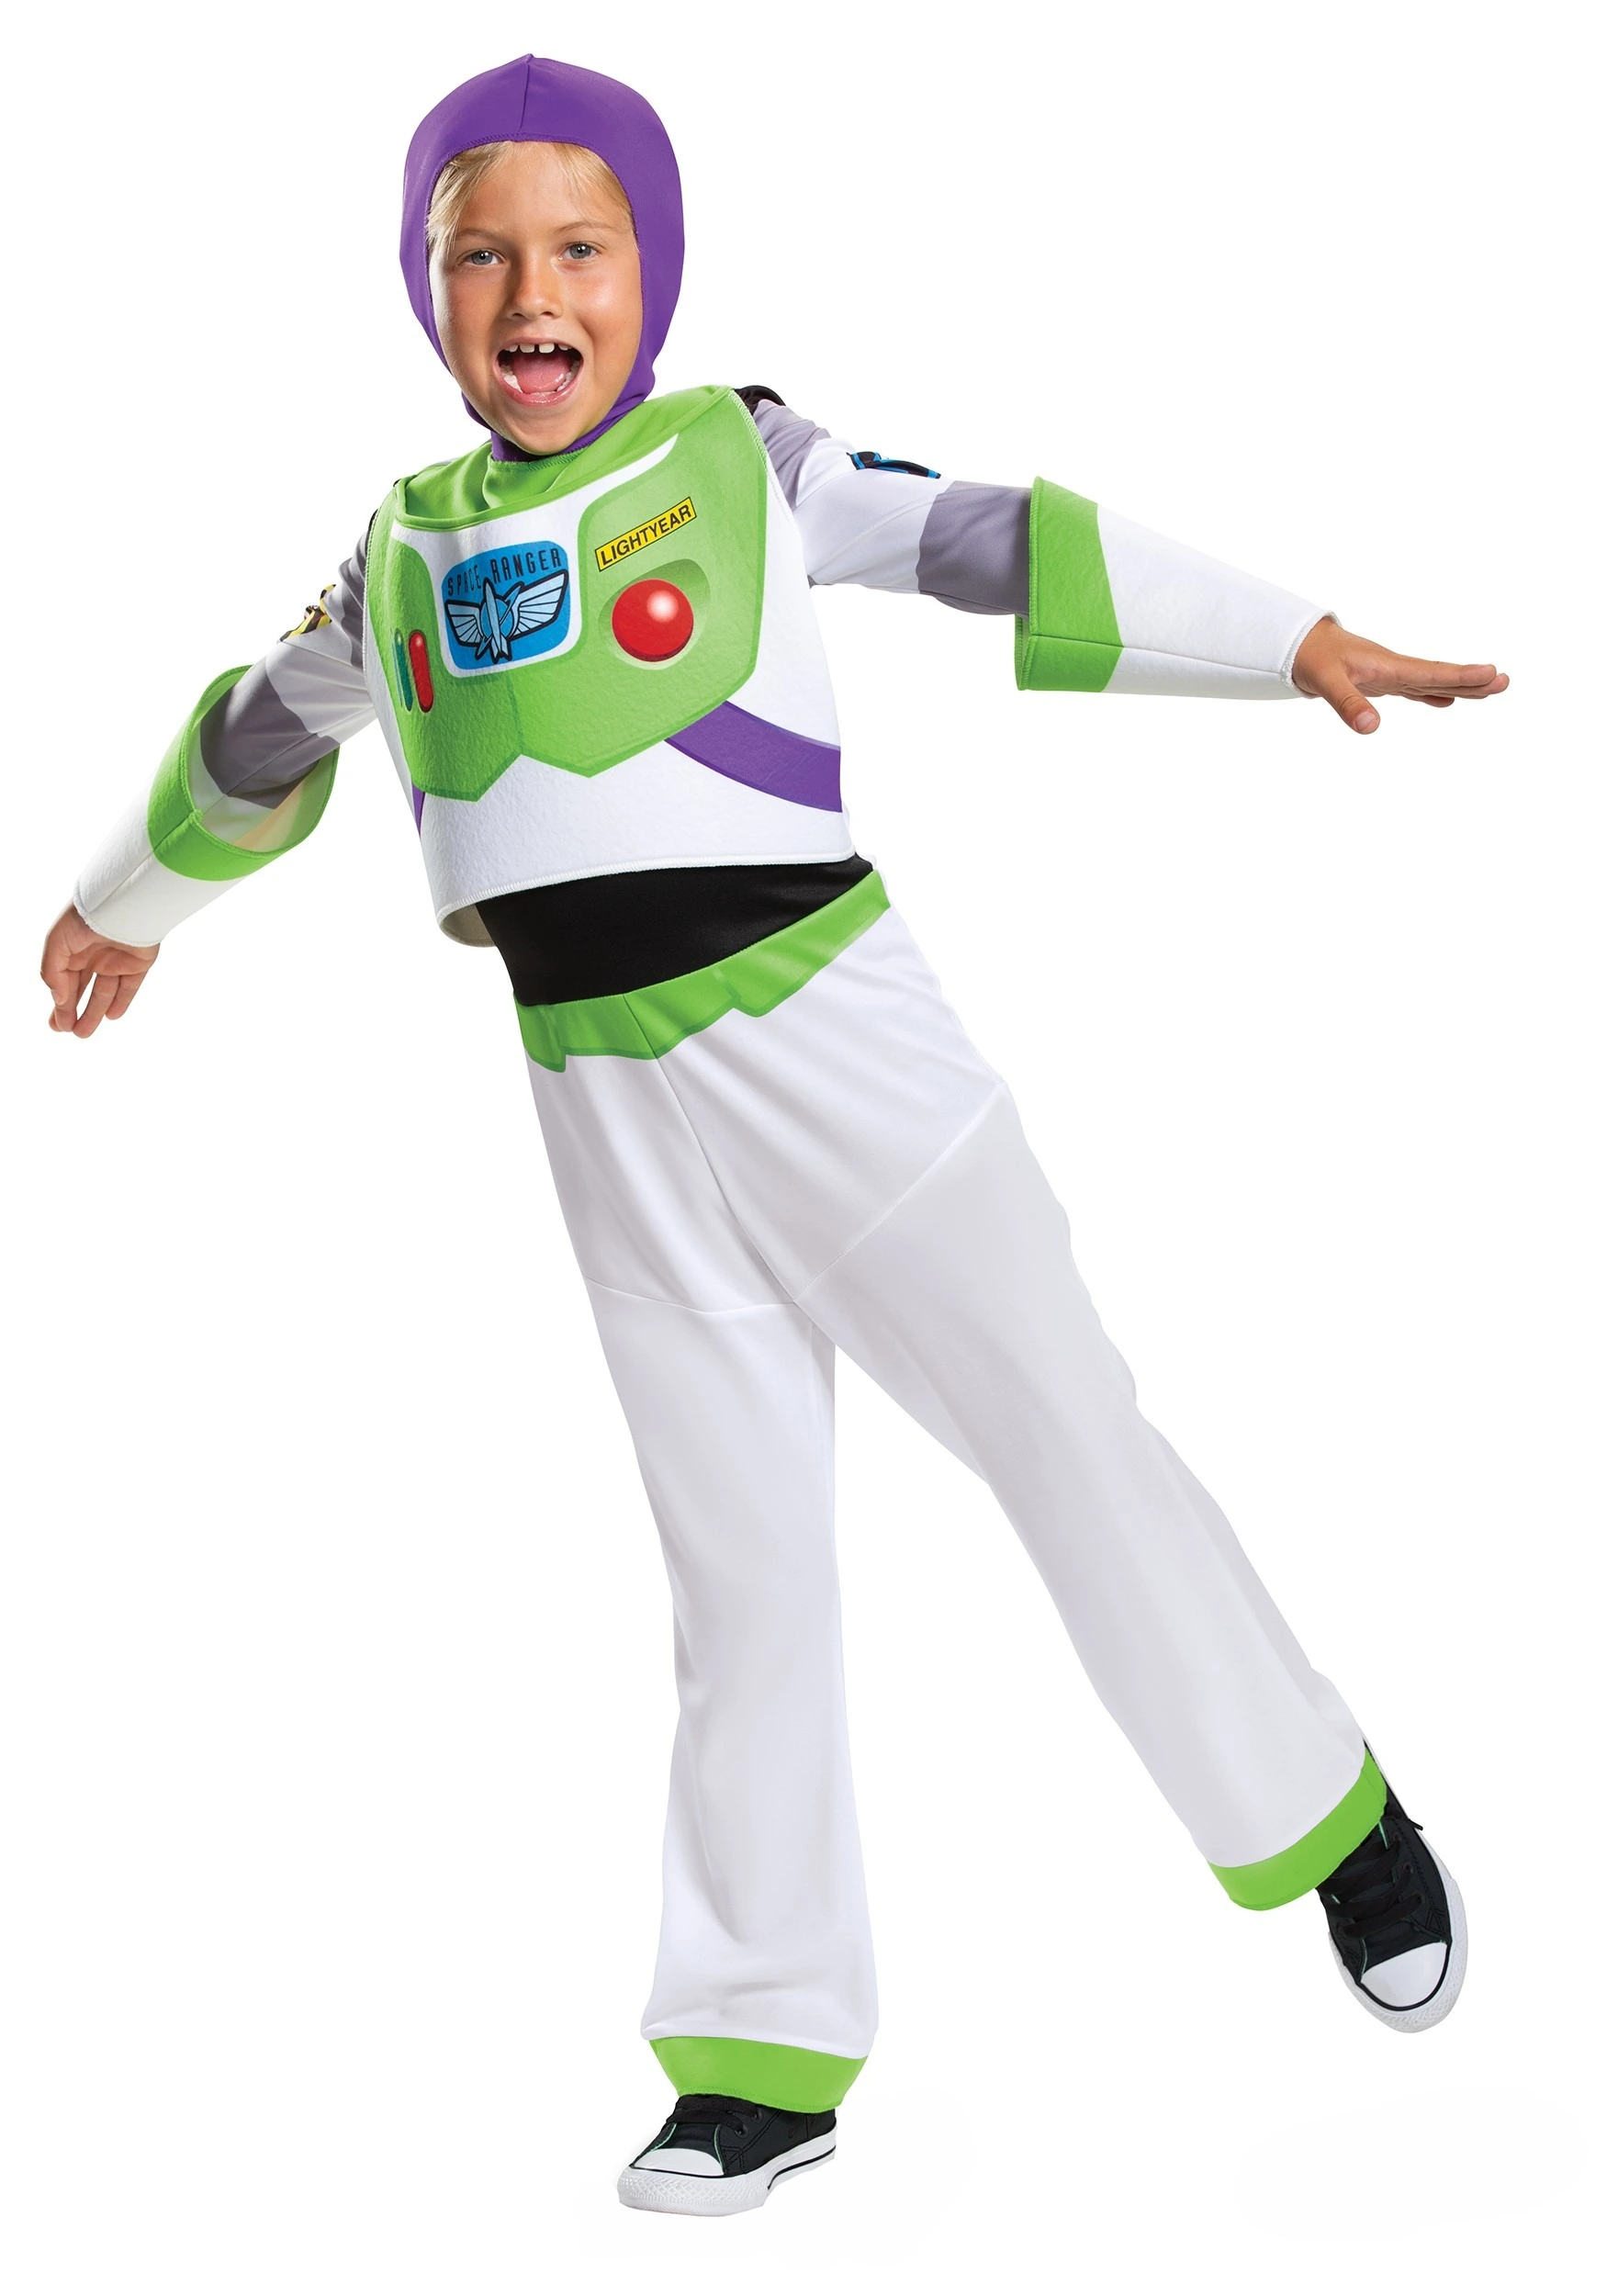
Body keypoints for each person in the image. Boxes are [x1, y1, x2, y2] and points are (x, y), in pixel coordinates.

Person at [41, 55, 1505, 2219]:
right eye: (478, 256)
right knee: (738, 1581)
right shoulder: (398, 546)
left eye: (579, 246)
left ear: (651, 267)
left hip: (846, 1059)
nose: (531, 294)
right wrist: (120, 903)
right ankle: (757, 2049)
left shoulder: (739, 455)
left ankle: (1326, 1820)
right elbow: (260, 734)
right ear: (423, 290)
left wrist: (1279, 638)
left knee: (1070, 1446)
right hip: (605, 1120)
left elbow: (987, 537)